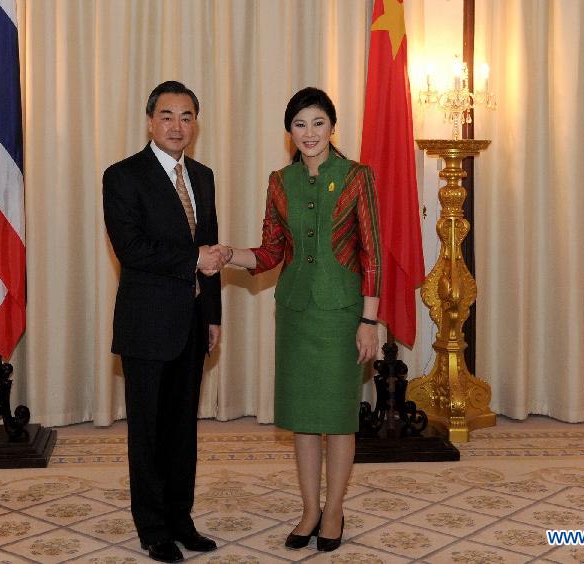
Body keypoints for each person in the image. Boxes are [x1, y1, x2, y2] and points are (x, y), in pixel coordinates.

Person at [224, 87, 381, 553]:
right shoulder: (280, 181)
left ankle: (334, 511)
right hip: (295, 310)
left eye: (318, 123)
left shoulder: (357, 176)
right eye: (300, 124)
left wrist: (369, 320)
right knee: (304, 419)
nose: (309, 133)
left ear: (332, 126)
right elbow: (272, 250)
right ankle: (310, 509)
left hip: (342, 314)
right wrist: (231, 254)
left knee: (337, 416)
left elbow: (372, 253)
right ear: (288, 132)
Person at [102, 81, 230, 563]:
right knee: (149, 432)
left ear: (196, 123)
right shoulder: (123, 176)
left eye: (187, 116)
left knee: (183, 430)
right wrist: (193, 258)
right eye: (168, 116)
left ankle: (181, 518)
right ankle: (153, 528)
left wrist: (213, 315)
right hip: (147, 324)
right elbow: (131, 249)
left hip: (194, 323)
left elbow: (213, 250)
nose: (178, 126)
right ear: (150, 121)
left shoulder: (203, 175)